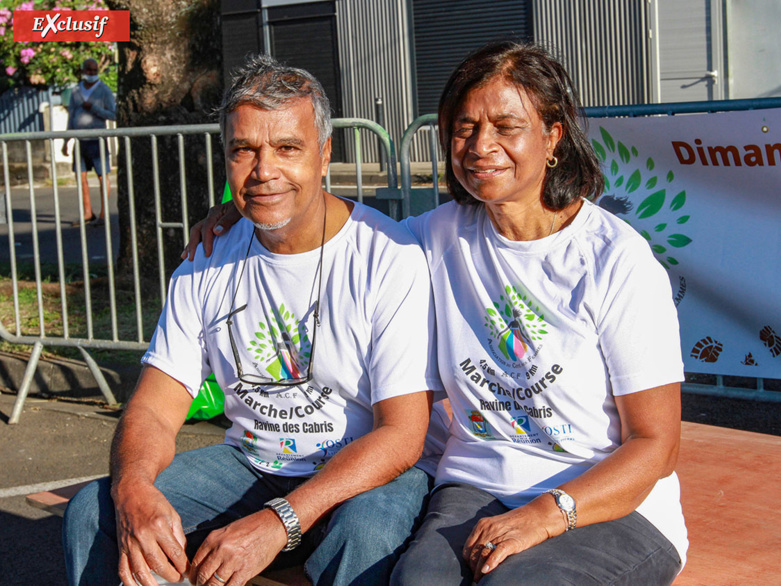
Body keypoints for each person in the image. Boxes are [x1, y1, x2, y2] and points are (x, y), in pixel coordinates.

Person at [187, 42, 688, 585]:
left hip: (605, 503)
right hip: (475, 489)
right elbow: (333, 229)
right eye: (464, 127)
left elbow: (655, 445)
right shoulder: (430, 238)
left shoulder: (616, 259)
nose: (481, 145)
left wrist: (546, 515)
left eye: (505, 126)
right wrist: (249, 211)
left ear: (553, 137)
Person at [63, 55, 443, 586]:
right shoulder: (207, 258)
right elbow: (152, 407)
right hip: (252, 466)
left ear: (325, 152)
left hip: (362, 475)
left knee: (367, 531)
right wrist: (133, 490)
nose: (264, 171)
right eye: (244, 150)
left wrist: (279, 522)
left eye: (288, 148)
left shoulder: (388, 257)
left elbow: (403, 435)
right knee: (94, 511)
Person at [62, 58, 116, 226]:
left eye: (94, 70)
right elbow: (71, 116)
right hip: (80, 140)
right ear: (83, 71)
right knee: (81, 175)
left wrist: (93, 107)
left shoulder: (103, 90)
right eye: (88, 70)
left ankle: (103, 213)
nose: (91, 73)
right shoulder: (76, 90)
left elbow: (113, 114)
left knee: (102, 176)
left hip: (97, 139)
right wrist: (66, 140)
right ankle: (87, 212)